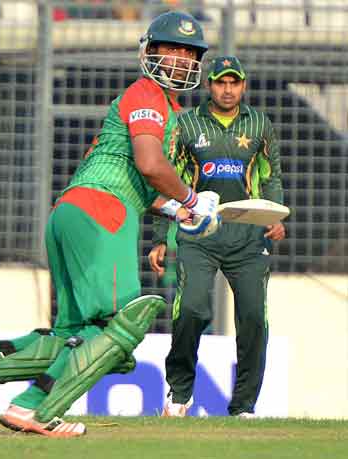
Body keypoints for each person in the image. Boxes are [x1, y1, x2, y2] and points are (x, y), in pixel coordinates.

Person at [0, 11, 220, 437]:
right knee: (118, 328)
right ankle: (34, 408)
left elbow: (131, 177)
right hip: (103, 216)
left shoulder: (156, 104)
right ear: (150, 52)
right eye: (172, 48)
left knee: (78, 335)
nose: (182, 58)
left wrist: (178, 210)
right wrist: (189, 196)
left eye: (190, 52)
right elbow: (151, 166)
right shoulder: (147, 95)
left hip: (72, 212)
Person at [148, 55, 285, 418]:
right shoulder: (187, 124)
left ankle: (244, 406)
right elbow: (167, 178)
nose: (227, 89)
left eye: (234, 82)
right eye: (220, 82)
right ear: (208, 85)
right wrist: (161, 236)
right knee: (192, 308)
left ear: (243, 85)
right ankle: (179, 395)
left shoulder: (259, 124)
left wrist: (276, 214)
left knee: (254, 317)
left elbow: (271, 175)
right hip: (196, 235)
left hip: (248, 239)